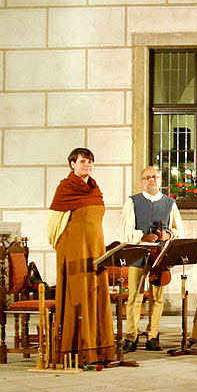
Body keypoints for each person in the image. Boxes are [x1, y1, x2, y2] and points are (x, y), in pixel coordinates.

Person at [46, 147, 115, 366]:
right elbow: (53, 223)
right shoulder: (65, 188)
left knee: (96, 296)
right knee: (77, 297)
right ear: (72, 164)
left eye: (90, 162)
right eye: (83, 161)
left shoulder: (95, 188)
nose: (87, 165)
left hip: (95, 250)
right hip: (74, 250)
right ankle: (75, 348)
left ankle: (98, 348)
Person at [119, 166, 184, 352]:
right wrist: (141, 237)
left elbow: (178, 229)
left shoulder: (170, 203)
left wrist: (168, 234)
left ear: (160, 180)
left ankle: (152, 335)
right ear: (142, 181)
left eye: (154, 177)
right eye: (147, 177)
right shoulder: (133, 201)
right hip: (138, 253)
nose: (151, 180)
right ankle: (131, 337)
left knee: (157, 298)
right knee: (134, 296)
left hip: (159, 256)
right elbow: (126, 230)